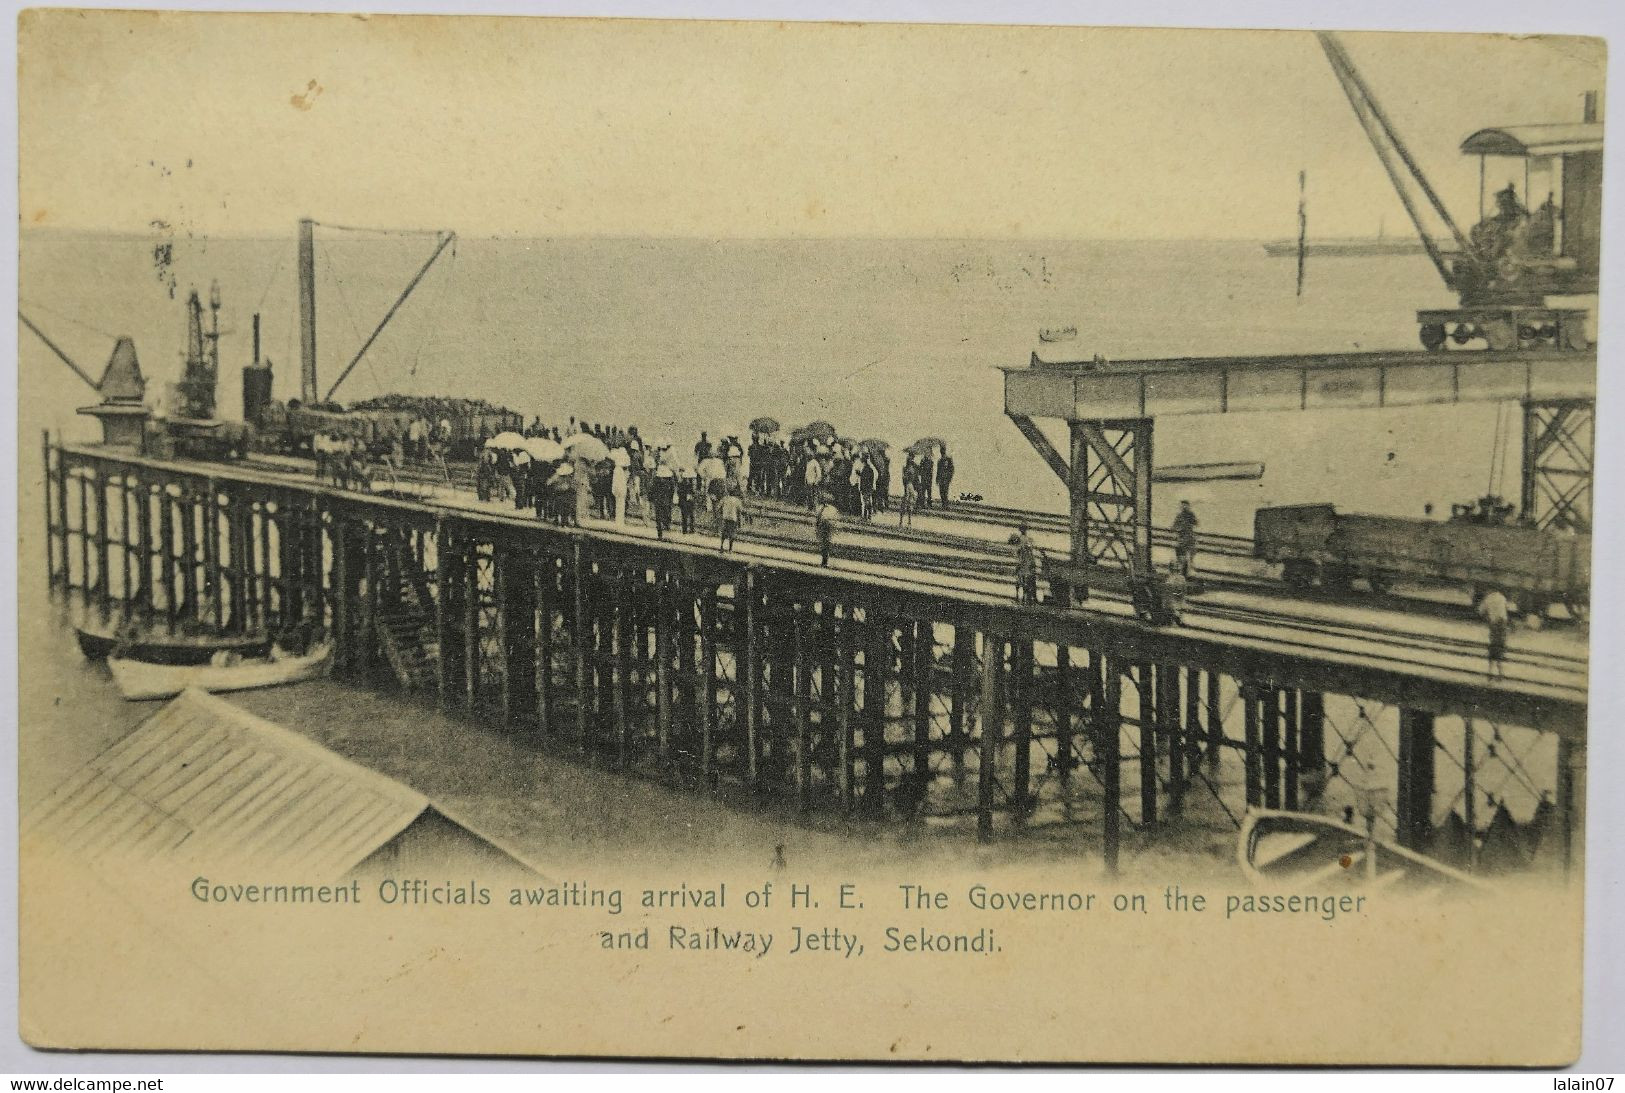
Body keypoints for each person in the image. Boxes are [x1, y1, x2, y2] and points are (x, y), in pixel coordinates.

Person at [1479, 587, 1510, 678]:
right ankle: (1500, 672)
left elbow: (1480, 611)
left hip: (1494, 624)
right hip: (1503, 624)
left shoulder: (1488, 599)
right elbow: (1507, 608)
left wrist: (1487, 614)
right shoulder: (1502, 597)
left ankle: (1490, 671)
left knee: (1493, 646)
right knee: (1500, 646)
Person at [1013, 522, 1040, 603]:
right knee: (1026, 580)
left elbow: (1018, 551)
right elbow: (1028, 551)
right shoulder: (1028, 540)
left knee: (1021, 579)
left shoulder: (1021, 540)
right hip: (1026, 561)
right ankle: (1026, 598)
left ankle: (1019, 597)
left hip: (1024, 561)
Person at [1172, 500, 1199, 577]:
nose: (1183, 507)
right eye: (1182, 505)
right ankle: (1182, 571)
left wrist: (1190, 522)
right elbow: (1174, 526)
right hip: (1182, 538)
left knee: (1190, 556)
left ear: (1188, 506)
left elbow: (1196, 523)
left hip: (1189, 538)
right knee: (1181, 556)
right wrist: (1178, 528)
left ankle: (1189, 570)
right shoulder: (1179, 516)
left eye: (1185, 505)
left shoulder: (1191, 515)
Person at [650, 467, 676, 540]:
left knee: (658, 518)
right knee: (666, 518)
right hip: (666, 502)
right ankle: (666, 534)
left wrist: (652, 499)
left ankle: (660, 535)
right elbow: (672, 490)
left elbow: (652, 490)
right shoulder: (670, 481)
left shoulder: (656, 480)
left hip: (658, 501)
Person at [815, 495, 840, 567]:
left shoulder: (821, 508)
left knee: (824, 545)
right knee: (826, 545)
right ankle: (825, 561)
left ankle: (824, 561)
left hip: (825, 527)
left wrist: (817, 527)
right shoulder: (832, 509)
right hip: (827, 528)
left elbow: (818, 519)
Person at [718, 488, 744, 553]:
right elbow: (741, 510)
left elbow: (718, 507)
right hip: (733, 518)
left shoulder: (725, 499)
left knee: (724, 532)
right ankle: (730, 549)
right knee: (732, 533)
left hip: (725, 517)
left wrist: (722, 512)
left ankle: (721, 547)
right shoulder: (737, 500)